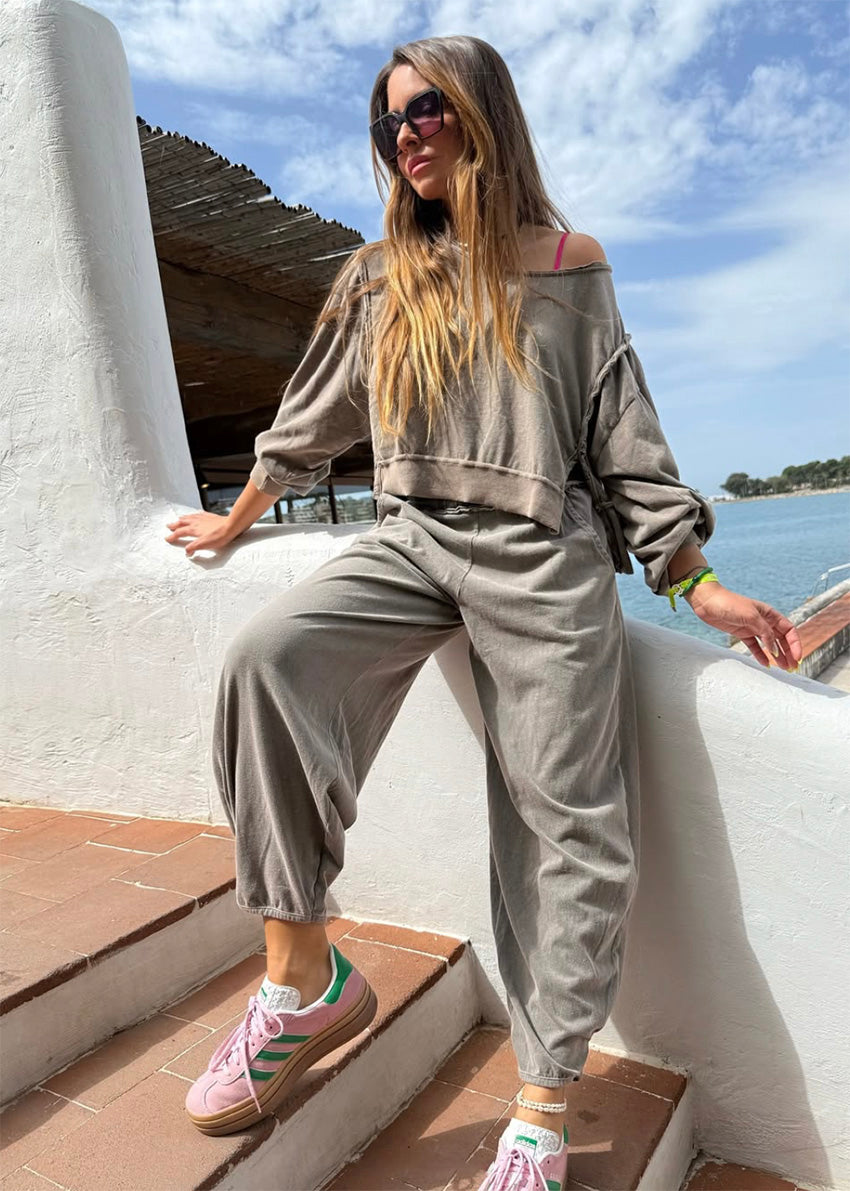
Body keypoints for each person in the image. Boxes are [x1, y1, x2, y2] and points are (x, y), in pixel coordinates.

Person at [167, 35, 802, 1189]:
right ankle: (301, 979)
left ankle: (542, 1103)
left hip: (541, 559)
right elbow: (313, 413)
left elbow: (625, 441)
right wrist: (239, 512)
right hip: (408, 537)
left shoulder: (568, 263)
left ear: (479, 113)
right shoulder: (375, 276)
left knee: (571, 824)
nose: (404, 135)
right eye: (388, 121)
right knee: (267, 659)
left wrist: (692, 578)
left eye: (424, 111)